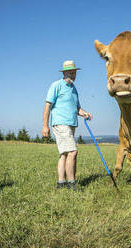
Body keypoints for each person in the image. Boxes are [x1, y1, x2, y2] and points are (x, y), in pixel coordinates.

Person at [42, 60, 92, 190]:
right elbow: (47, 106)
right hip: (60, 123)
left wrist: (84, 113)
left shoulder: (73, 89)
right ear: (64, 73)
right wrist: (45, 126)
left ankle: (61, 183)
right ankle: (71, 183)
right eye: (71, 72)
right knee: (73, 152)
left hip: (71, 124)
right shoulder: (56, 85)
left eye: (75, 72)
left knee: (64, 153)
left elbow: (77, 108)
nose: (73, 74)